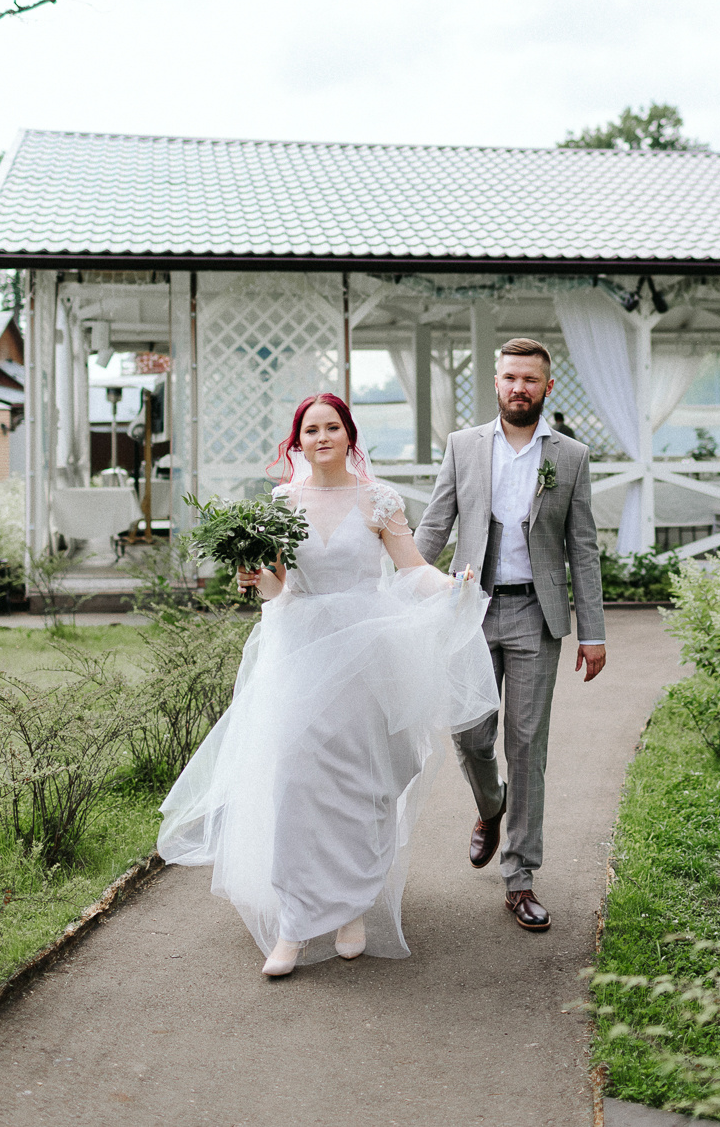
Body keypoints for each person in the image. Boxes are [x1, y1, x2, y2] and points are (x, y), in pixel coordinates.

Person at [157, 393, 498, 978]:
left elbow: (412, 570)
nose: (321, 437)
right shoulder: (280, 505)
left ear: (348, 435)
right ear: (296, 442)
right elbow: (277, 591)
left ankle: (351, 909)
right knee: (294, 780)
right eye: (310, 429)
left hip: (367, 654)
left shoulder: (378, 500)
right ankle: (293, 923)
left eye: (331, 427)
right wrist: (256, 578)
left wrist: (452, 586)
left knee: (361, 783)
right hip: (300, 653)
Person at [414, 337, 605, 933]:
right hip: (469, 610)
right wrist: (402, 599)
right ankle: (489, 807)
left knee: (526, 745)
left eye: (530, 379)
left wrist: (592, 632)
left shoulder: (569, 457)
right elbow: (435, 524)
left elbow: (584, 547)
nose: (518, 387)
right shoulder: (463, 447)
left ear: (548, 387)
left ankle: (520, 878)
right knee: (470, 734)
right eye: (509, 378)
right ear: (495, 383)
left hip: (536, 617)